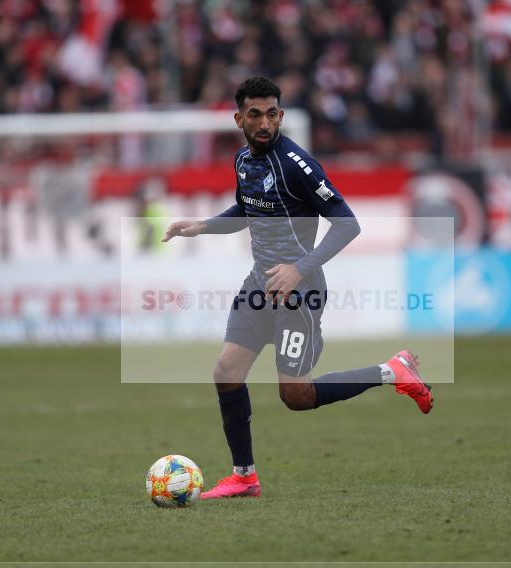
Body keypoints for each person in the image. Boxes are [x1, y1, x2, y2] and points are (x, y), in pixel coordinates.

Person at [162, 77, 434, 499]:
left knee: (296, 395)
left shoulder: (297, 165)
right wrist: (202, 226)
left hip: (299, 291)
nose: (265, 122)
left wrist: (298, 269)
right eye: (255, 114)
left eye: (272, 113)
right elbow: (247, 209)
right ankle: (244, 476)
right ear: (239, 119)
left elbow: (348, 223)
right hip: (259, 285)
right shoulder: (242, 161)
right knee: (226, 372)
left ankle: (391, 370)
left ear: (281, 116)